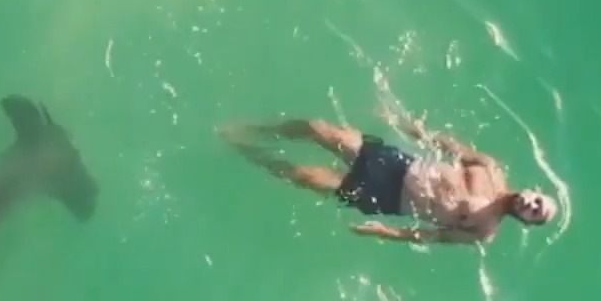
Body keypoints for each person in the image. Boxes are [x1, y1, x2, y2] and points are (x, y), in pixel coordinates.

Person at [219, 113, 557, 245]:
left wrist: (387, 232)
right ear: (535, 191)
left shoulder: (484, 231)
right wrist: (414, 127)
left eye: (534, 213)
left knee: (302, 175)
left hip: (387, 197)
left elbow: (432, 235)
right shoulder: (490, 168)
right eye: (537, 202)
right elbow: (451, 147)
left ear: (525, 222)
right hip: (398, 164)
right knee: (316, 128)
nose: (530, 205)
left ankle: (248, 151)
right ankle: (257, 130)